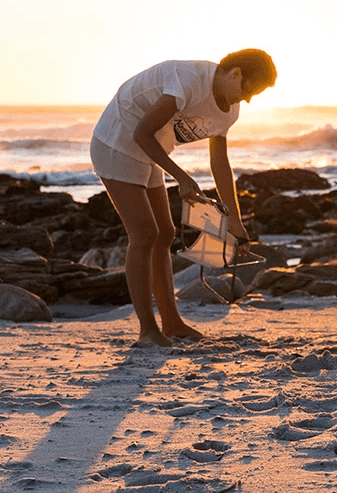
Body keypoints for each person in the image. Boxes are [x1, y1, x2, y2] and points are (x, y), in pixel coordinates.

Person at [90, 49, 277, 346]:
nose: (248, 99)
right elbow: (141, 132)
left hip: (150, 152)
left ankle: (172, 323)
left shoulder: (229, 110)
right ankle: (147, 331)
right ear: (236, 73)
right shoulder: (189, 79)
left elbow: (220, 165)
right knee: (144, 235)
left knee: (165, 233)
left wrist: (235, 222)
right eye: (248, 89)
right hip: (117, 141)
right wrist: (182, 177)